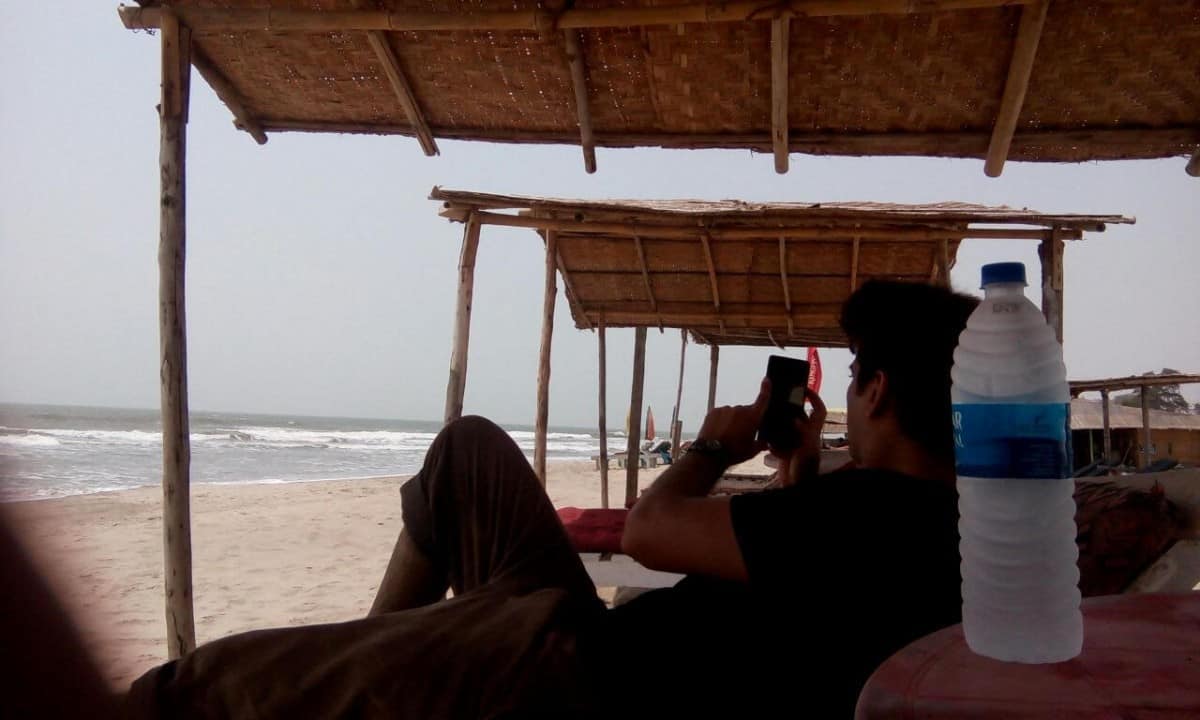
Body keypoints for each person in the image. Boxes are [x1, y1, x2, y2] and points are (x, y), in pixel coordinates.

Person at [124, 280, 977, 719]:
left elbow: (647, 531)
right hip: (590, 644)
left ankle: (404, 662)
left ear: (878, 394)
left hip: (570, 678)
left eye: (858, 369)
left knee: (207, 686)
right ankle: (396, 649)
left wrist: (714, 447)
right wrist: (793, 470)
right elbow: (799, 584)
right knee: (471, 451)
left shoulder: (876, 515)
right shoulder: (930, 526)